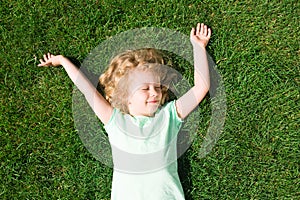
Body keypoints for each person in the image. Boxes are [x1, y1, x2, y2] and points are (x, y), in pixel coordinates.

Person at [38, 23, 211, 200]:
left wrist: (198, 48)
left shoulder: (169, 116)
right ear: (126, 95)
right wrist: (63, 61)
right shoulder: (115, 122)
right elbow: (87, 90)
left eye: (157, 86)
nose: (154, 92)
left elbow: (201, 88)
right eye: (145, 88)